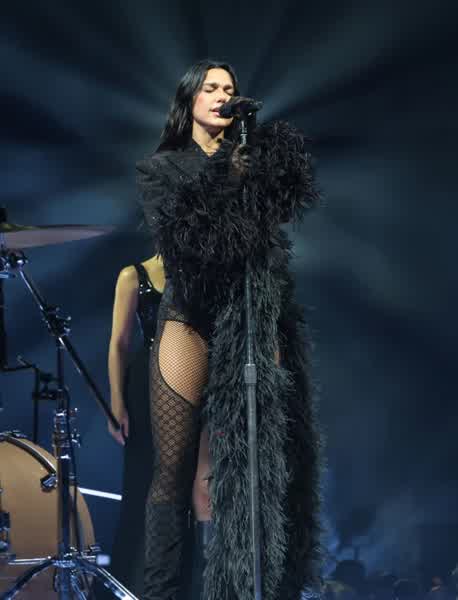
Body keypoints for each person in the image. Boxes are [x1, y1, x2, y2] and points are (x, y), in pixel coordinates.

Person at [137, 59, 322, 600]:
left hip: (250, 317)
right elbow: (184, 240)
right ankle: (163, 593)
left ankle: (247, 587)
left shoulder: (252, 157)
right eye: (211, 87)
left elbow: (285, 207)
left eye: (229, 88)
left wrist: (259, 163)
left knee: (256, 459)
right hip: (190, 315)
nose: (222, 95)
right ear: (189, 99)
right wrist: (227, 175)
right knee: (173, 468)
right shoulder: (160, 169)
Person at [106, 255, 212, 597]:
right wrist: (116, 400)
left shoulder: (203, 272)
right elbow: (119, 343)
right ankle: (142, 583)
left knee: (197, 481)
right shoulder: (132, 275)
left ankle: (195, 582)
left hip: (196, 380)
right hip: (146, 385)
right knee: (148, 480)